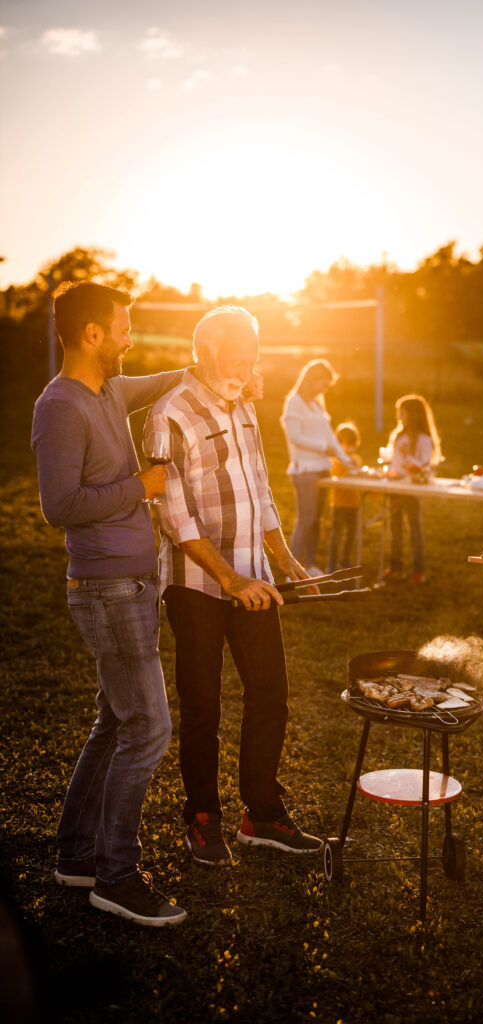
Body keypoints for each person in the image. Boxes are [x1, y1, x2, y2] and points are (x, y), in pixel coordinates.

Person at [31, 281, 187, 927]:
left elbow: (173, 375)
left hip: (133, 585)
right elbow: (57, 507)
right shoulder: (60, 406)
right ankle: (116, 876)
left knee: (115, 722)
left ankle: (75, 855)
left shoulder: (110, 391)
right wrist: (139, 486)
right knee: (148, 729)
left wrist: (224, 363)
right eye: (124, 327)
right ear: (92, 334)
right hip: (106, 591)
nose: (131, 337)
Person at [145, 306, 322, 866]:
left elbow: (259, 489)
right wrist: (231, 578)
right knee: (203, 709)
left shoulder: (245, 402)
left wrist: (285, 559)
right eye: (236, 356)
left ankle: (262, 814)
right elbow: (175, 519)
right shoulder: (169, 412)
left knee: (270, 695)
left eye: (252, 357)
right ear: (204, 350)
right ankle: (202, 819)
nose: (247, 367)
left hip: (256, 580)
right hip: (198, 584)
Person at [280, 359, 352, 575]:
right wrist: (324, 448)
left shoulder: (318, 403)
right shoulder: (294, 402)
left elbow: (330, 435)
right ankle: (290, 570)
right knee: (306, 519)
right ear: (312, 379)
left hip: (322, 468)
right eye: (323, 384)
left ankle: (309, 565)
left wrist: (346, 460)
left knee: (317, 521)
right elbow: (294, 437)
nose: (325, 389)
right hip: (305, 471)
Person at [383, 394, 442, 585]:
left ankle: (419, 569)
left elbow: (424, 466)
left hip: (411, 488)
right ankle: (396, 566)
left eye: (402, 412)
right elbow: (394, 460)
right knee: (395, 528)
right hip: (395, 486)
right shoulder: (399, 435)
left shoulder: (423, 439)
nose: (399, 416)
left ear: (413, 414)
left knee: (414, 527)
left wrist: (408, 457)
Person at [326, 422, 362, 573]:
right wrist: (349, 468)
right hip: (339, 504)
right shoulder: (336, 461)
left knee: (352, 534)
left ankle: (345, 559)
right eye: (345, 445)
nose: (349, 449)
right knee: (337, 534)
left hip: (354, 504)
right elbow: (338, 478)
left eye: (351, 445)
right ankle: (332, 564)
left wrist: (357, 467)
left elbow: (359, 475)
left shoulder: (356, 459)